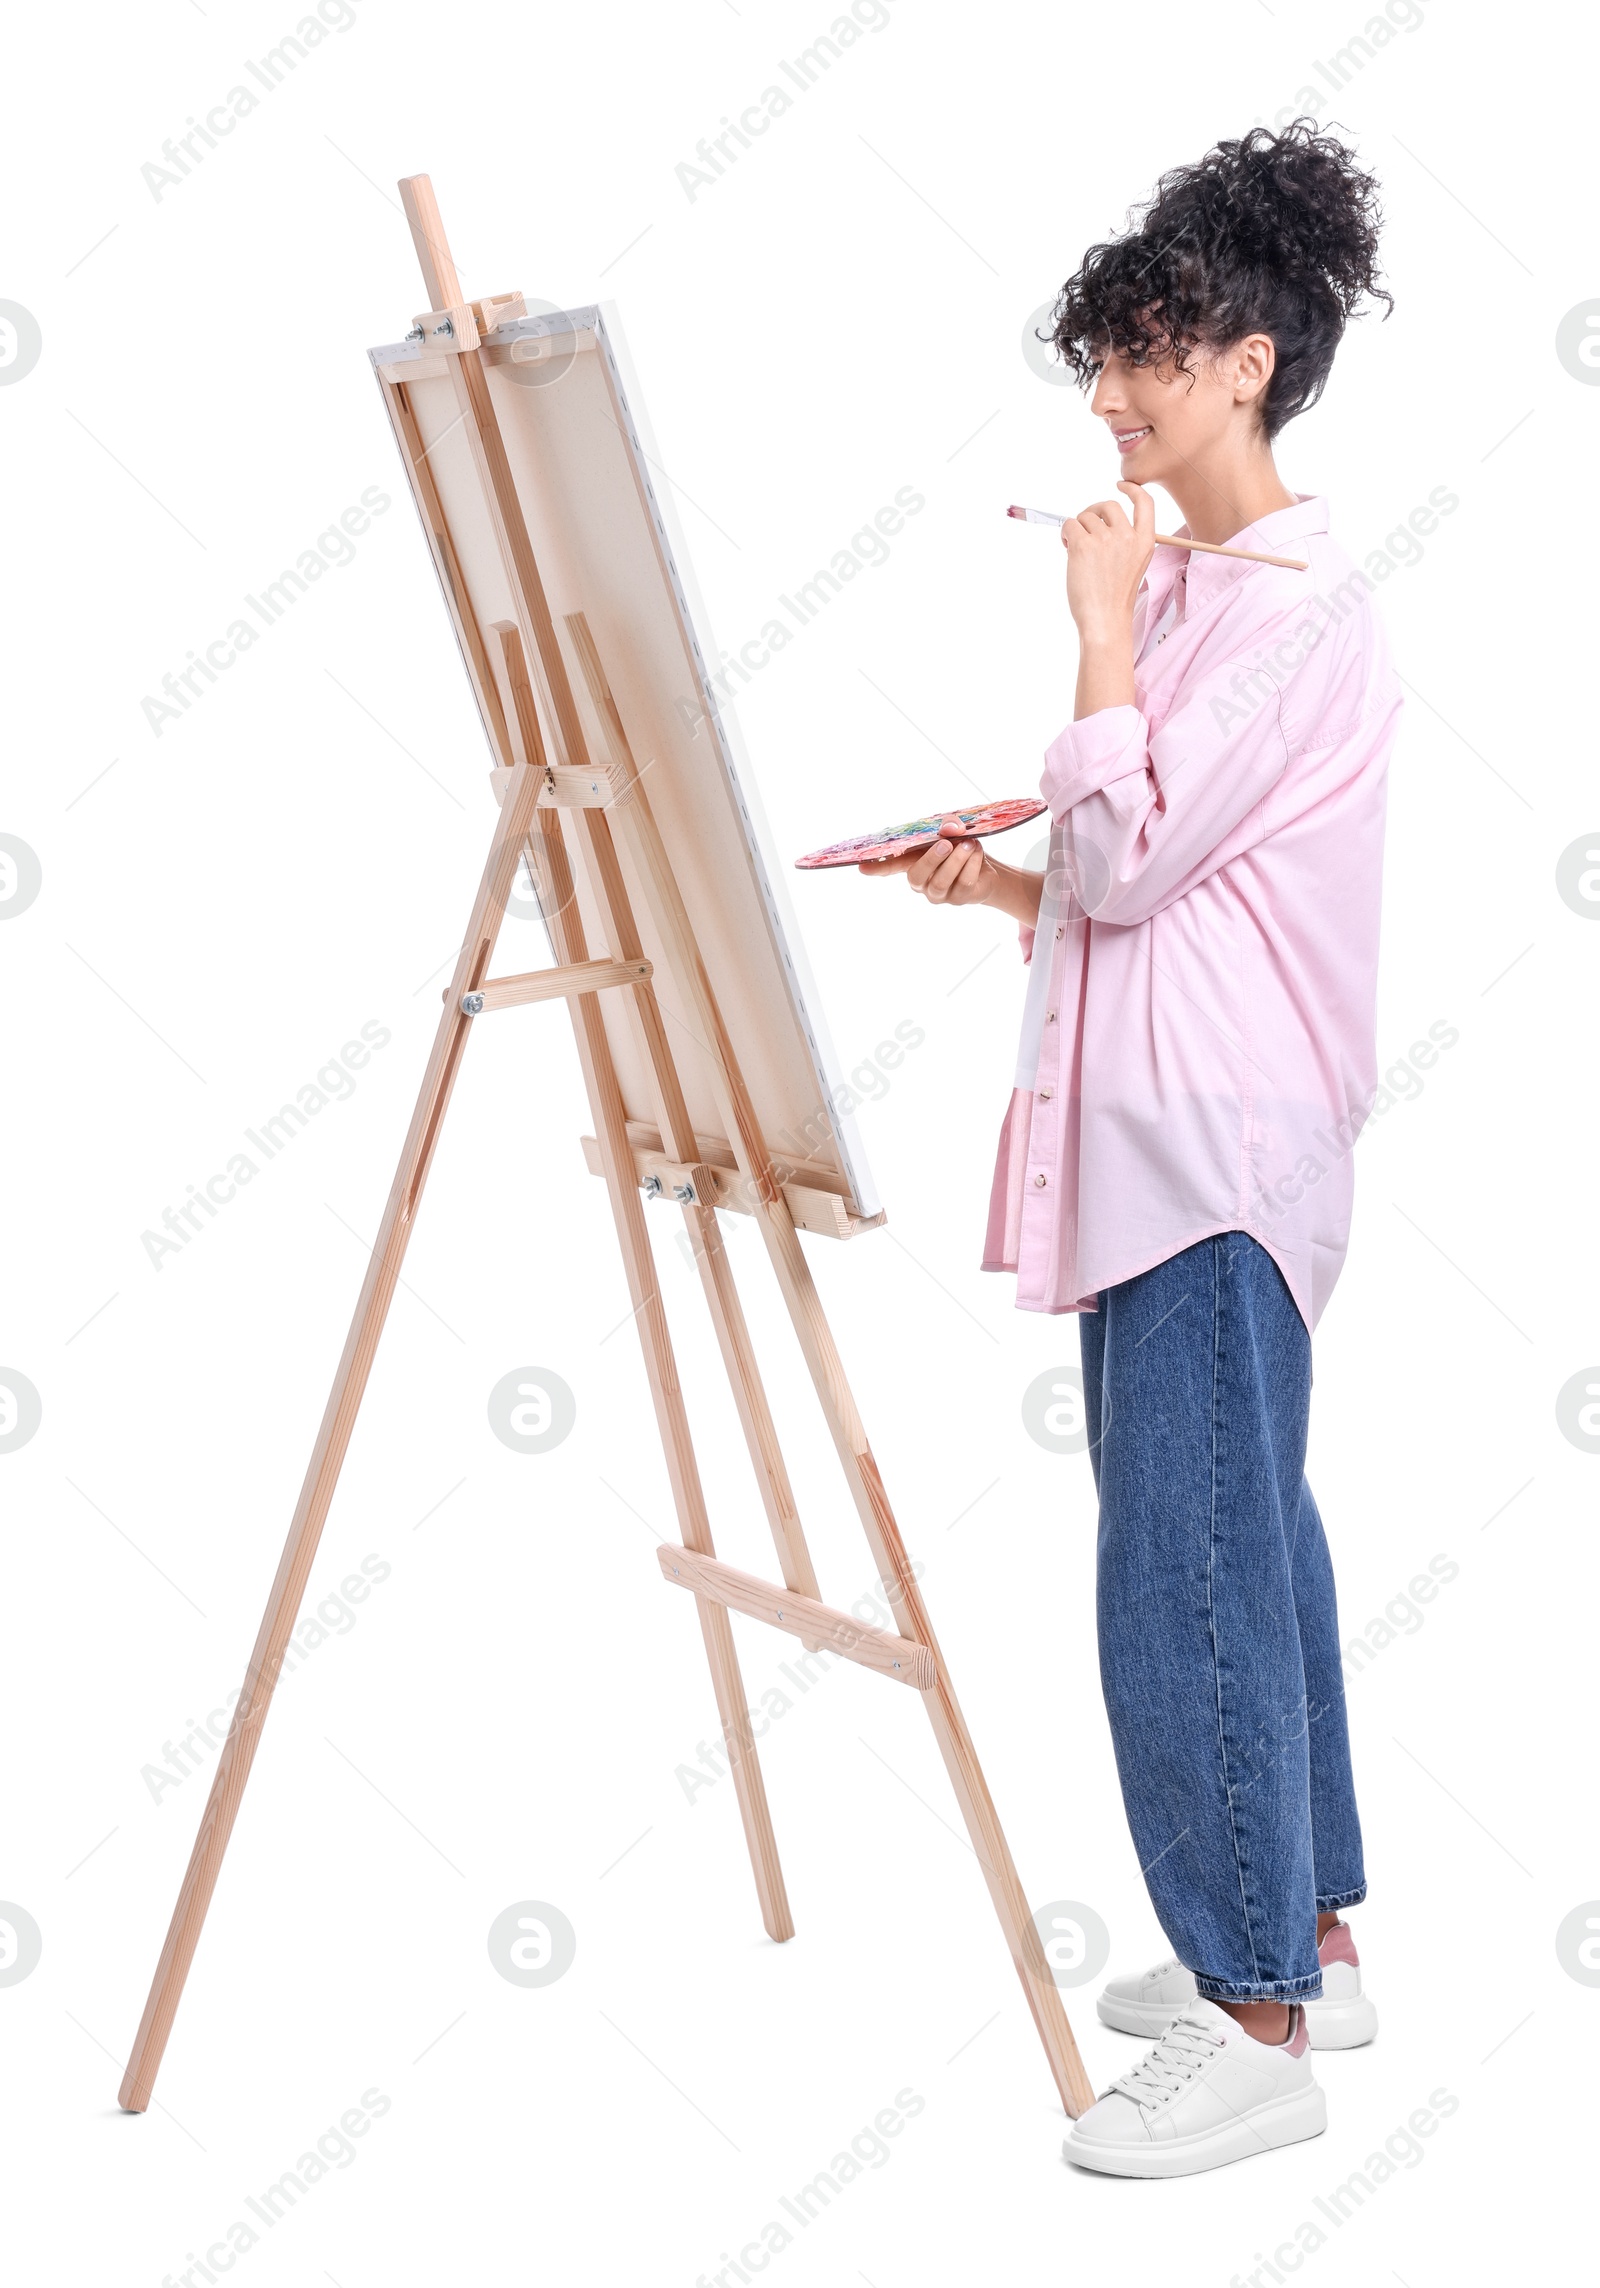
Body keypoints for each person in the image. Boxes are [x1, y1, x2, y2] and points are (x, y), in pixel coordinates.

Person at [861, 121, 1400, 2177]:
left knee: (1172, 1570)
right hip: (1170, 1132)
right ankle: (1310, 1934)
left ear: (1244, 363)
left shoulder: (1277, 609)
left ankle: (1247, 2011)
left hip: (1204, 1151)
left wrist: (1092, 633)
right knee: (1242, 1533)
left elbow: (1131, 834)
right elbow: (1137, 884)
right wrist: (988, 892)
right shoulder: (1194, 598)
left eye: (1140, 360)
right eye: (1097, 364)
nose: (1103, 400)